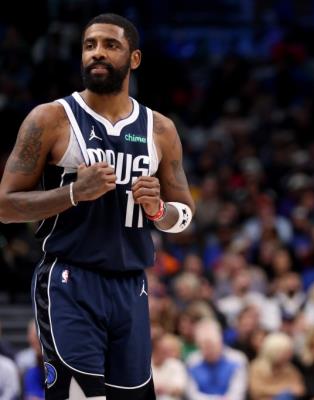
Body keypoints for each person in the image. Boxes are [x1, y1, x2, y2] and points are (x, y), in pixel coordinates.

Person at [0, 13, 195, 400]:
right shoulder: (50, 119)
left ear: (134, 59)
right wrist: (73, 192)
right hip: (70, 280)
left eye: (110, 45)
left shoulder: (160, 129)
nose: (97, 54)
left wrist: (158, 210)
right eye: (90, 46)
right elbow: (5, 206)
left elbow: (184, 215)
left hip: (131, 286)